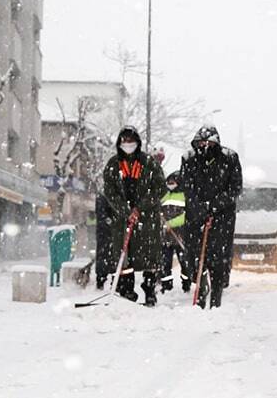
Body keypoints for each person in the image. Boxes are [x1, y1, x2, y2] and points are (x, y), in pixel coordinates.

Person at [101, 126, 167, 306]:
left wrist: (141, 207)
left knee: (149, 256)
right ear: (119, 143)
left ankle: (150, 291)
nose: (128, 144)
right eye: (124, 141)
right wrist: (125, 210)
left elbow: (160, 188)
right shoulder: (113, 164)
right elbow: (110, 191)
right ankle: (126, 291)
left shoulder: (148, 163)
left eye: (131, 140)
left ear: (137, 142)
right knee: (124, 256)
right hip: (122, 220)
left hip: (147, 220)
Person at [181, 126, 243, 307]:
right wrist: (200, 208)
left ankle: (216, 297)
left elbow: (235, 187)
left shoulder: (229, 158)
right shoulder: (189, 159)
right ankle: (201, 290)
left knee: (218, 259)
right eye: (201, 143)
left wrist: (214, 206)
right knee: (195, 256)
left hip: (222, 218)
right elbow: (187, 186)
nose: (205, 146)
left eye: (209, 142)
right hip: (195, 217)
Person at [159, 171, 190, 293]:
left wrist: (171, 223)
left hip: (180, 235)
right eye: (168, 183)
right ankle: (166, 286)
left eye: (172, 183)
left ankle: (186, 283)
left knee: (184, 262)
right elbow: (159, 211)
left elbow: (186, 216)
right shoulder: (165, 195)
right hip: (165, 236)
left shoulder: (184, 196)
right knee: (165, 263)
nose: (170, 185)